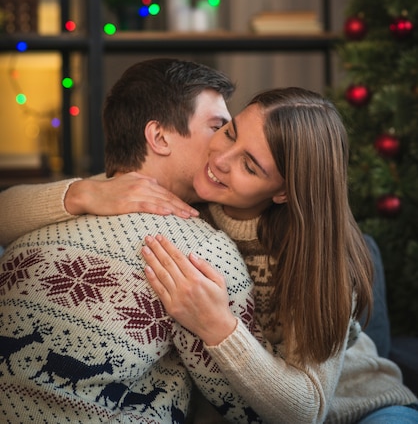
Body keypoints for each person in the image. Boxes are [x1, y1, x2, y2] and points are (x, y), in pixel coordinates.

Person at [1, 75, 417, 422]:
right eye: (228, 131)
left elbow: (308, 407)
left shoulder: (322, 260)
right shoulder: (196, 197)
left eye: (250, 165)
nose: (220, 159)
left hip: (355, 403)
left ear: (284, 192)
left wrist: (218, 325)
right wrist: (84, 194)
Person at [0, 58, 265, 423]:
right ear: (158, 137)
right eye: (218, 127)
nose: (222, 145)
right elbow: (250, 412)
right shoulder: (201, 254)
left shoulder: (30, 229)